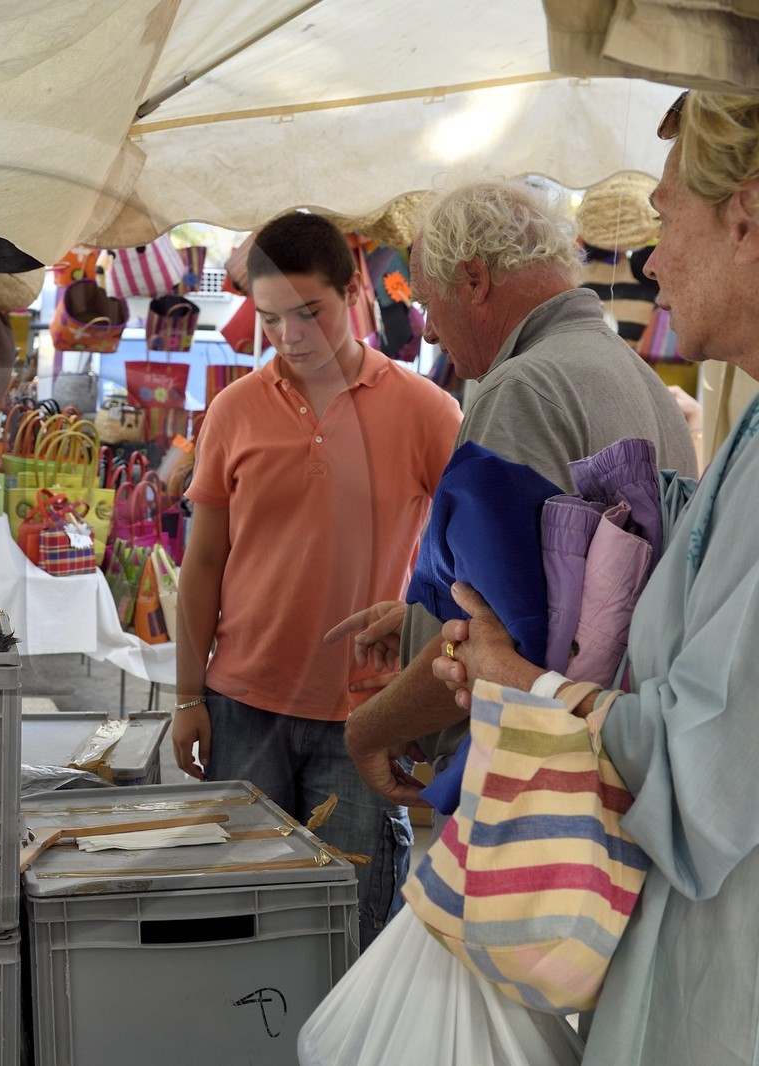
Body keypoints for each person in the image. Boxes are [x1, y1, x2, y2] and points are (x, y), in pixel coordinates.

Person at [428, 91, 759, 1065]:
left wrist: (521, 686)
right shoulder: (740, 427)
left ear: (745, 218)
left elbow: (706, 762)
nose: (651, 261)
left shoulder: (525, 384)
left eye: (666, 216)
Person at [334, 180, 697, 811]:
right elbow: (555, 602)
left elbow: (491, 642)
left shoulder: (523, 387)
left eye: (429, 305)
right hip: (613, 765)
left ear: (474, 279)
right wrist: (419, 622)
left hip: (530, 782)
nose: (430, 334)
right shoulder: (635, 373)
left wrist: (369, 729)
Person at [170, 211, 463, 950]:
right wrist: (186, 697)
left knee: (352, 931)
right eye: (271, 318)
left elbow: (471, 552)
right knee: (240, 928)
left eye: (309, 313)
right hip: (241, 706)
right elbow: (203, 563)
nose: (290, 335)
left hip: (364, 714)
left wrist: (418, 626)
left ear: (353, 291)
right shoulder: (235, 410)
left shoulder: (427, 410)